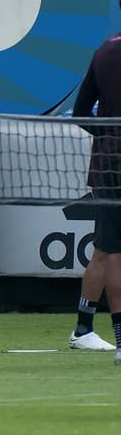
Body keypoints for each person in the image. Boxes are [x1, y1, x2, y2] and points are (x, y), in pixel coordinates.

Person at [71, 23, 121, 362]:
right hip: (112, 166)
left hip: (107, 165)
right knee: (109, 250)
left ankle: (83, 328)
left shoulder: (104, 51)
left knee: (106, 249)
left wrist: (108, 136)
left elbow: (80, 113)